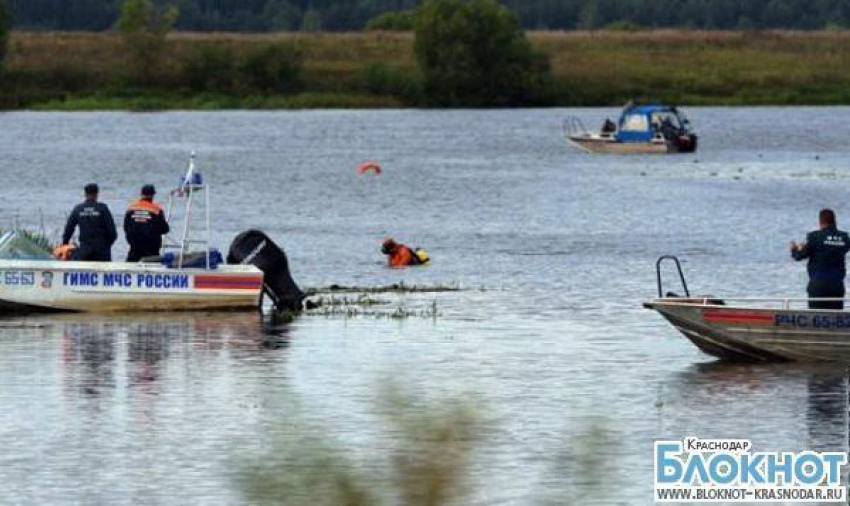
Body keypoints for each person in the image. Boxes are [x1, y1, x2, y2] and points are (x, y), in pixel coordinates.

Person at [791, 209, 850, 310]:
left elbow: (799, 256)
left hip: (818, 284)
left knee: (816, 318)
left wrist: (794, 249)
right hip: (837, 284)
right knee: (835, 319)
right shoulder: (844, 237)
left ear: (820, 221)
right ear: (834, 221)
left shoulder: (814, 237)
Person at [61, 183, 117, 262]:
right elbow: (112, 232)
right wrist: (107, 245)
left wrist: (65, 243)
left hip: (85, 249)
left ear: (85, 194)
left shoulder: (78, 209)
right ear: (97, 194)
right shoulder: (103, 208)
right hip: (102, 250)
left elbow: (69, 228)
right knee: (103, 272)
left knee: (83, 273)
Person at [124, 184, 170, 262]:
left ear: (141, 194)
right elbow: (165, 229)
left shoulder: (131, 208)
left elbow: (126, 226)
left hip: (134, 246)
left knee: (131, 266)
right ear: (152, 195)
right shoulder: (156, 209)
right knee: (153, 268)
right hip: (151, 248)